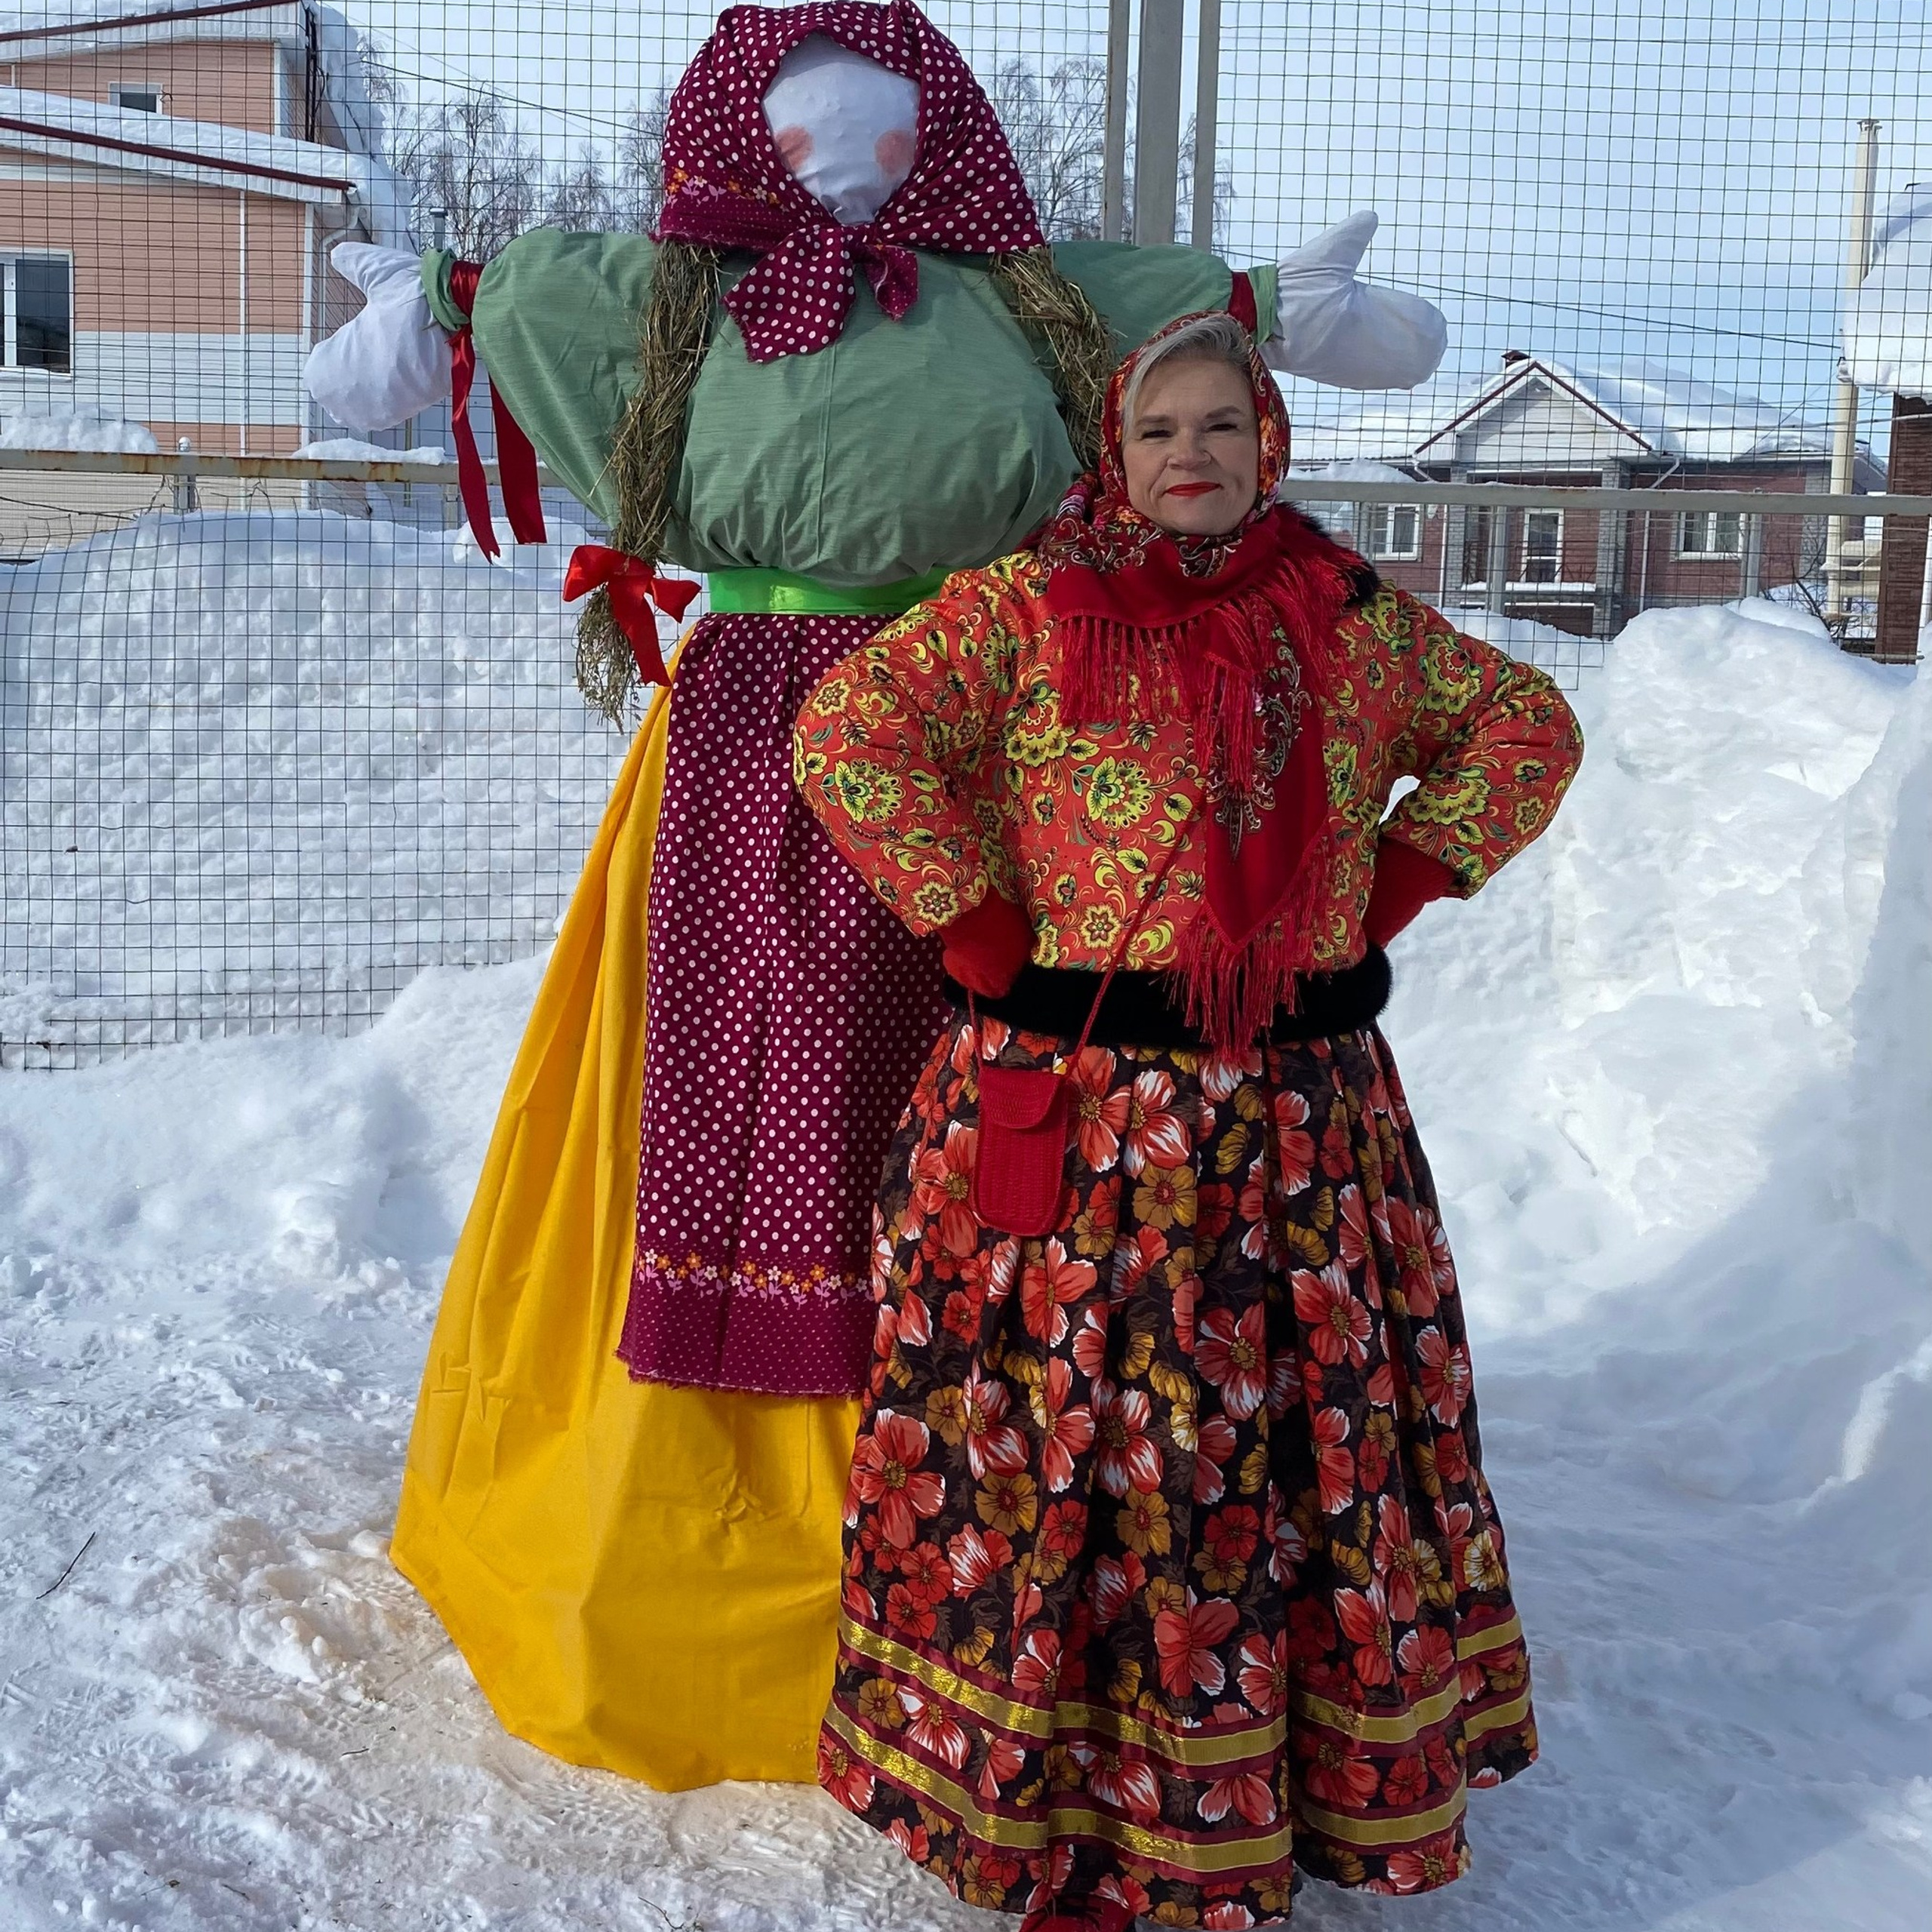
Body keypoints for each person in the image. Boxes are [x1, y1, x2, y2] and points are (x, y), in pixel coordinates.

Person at [306, 3, 1452, 1792]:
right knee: (756, 1081)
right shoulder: (683, 295)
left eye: (885, 133)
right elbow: (539, 291)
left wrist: (1276, 303)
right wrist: (440, 304)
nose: (848, 170)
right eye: (806, 136)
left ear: (944, 138)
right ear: (743, 144)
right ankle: (750, 1508)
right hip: (755, 743)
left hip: (994, 719)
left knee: (1010, 1101)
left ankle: (1025, 1496)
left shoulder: (1018, 294)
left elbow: (1159, 309)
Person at [794, 309, 1583, 1925]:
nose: (1190, 457)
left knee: (1268, 1462)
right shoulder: (1023, 606)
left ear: (1268, 443)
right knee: (1087, 1455)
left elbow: (1524, 729)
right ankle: (1064, 1815)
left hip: (1301, 1131)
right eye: (1160, 430)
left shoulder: (1348, 615)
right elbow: (848, 735)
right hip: (1079, 1117)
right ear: (1115, 448)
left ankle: (1258, 1794)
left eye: (1221, 426)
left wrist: (1404, 879)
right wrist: (968, 923)